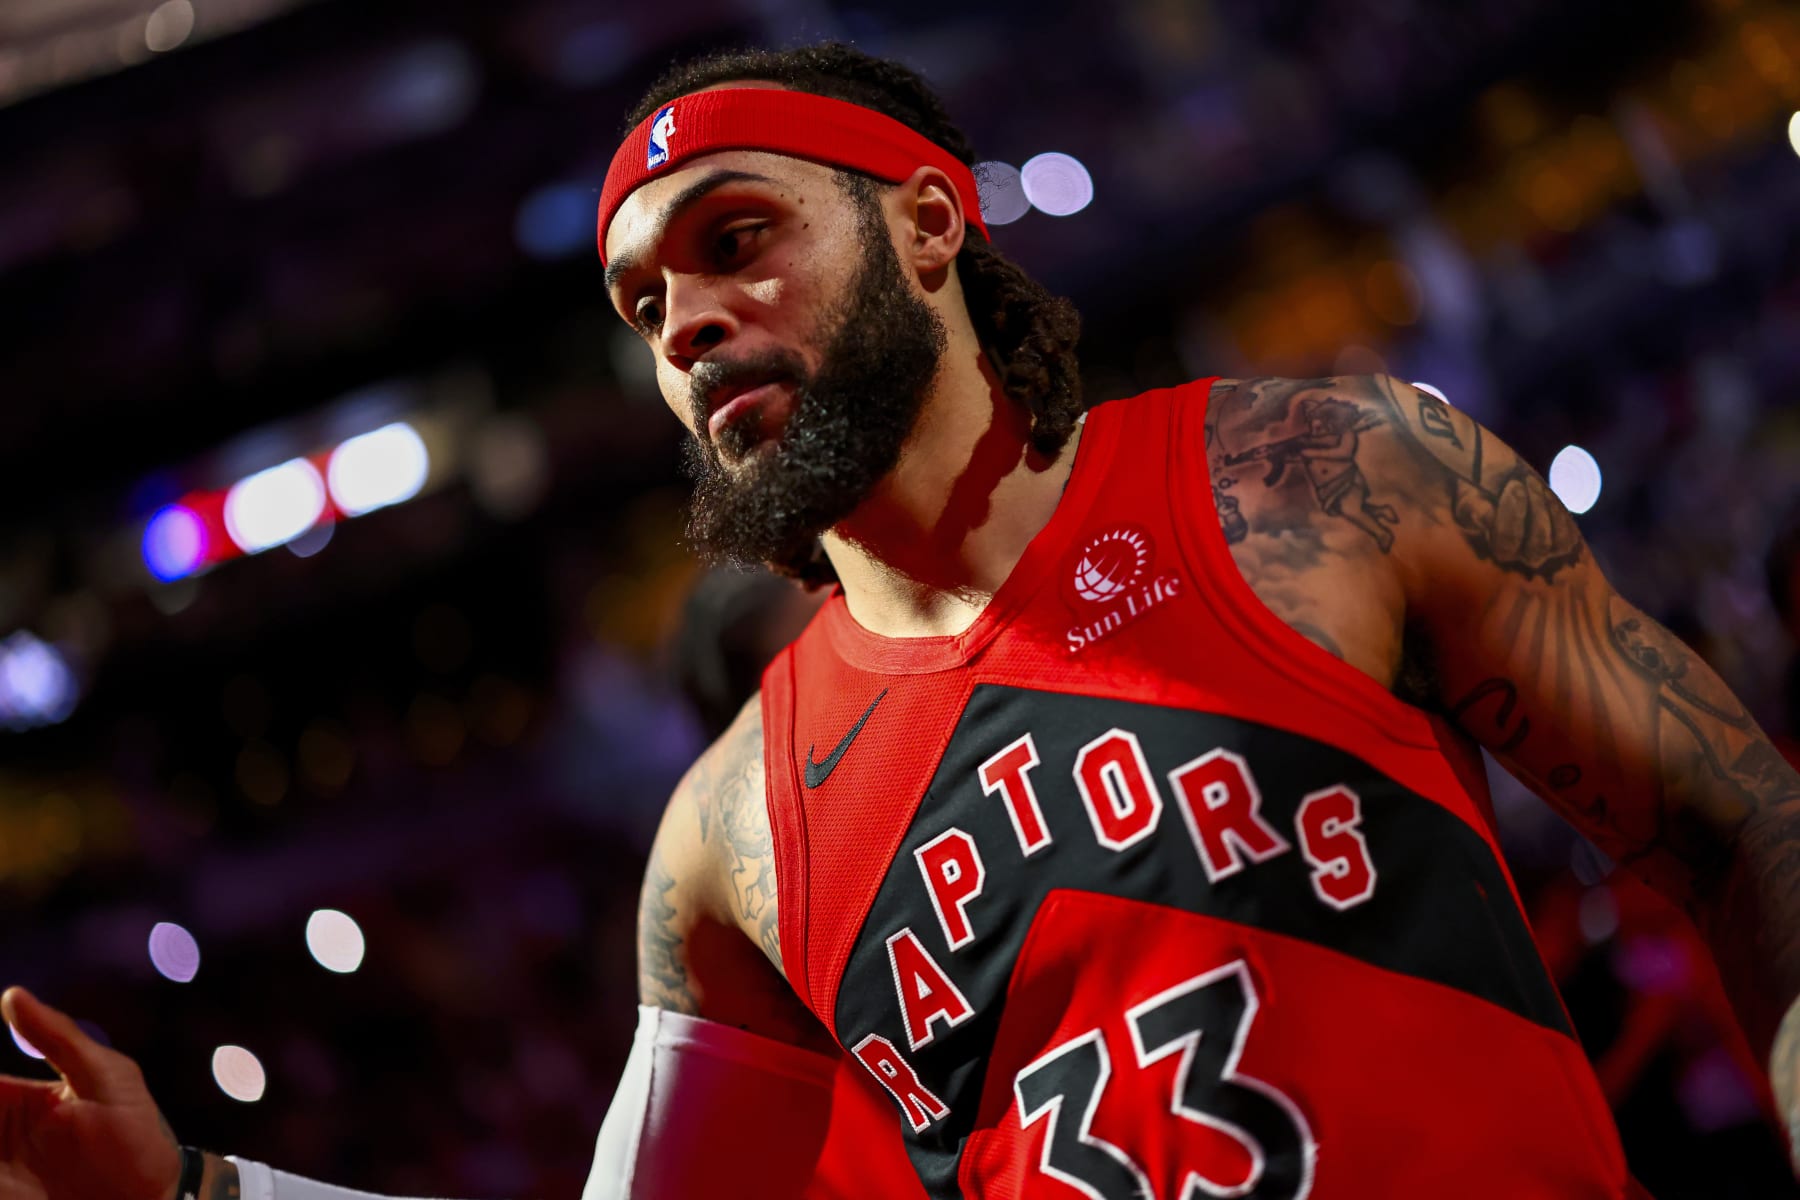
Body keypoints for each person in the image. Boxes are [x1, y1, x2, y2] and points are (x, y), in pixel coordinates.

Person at [5, 40, 1800, 1200]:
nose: (687, 319)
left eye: (736, 238)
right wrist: (195, 1195)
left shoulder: (1316, 477)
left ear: (929, 225)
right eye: (644, 303)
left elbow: (1747, 835)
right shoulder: (727, 840)